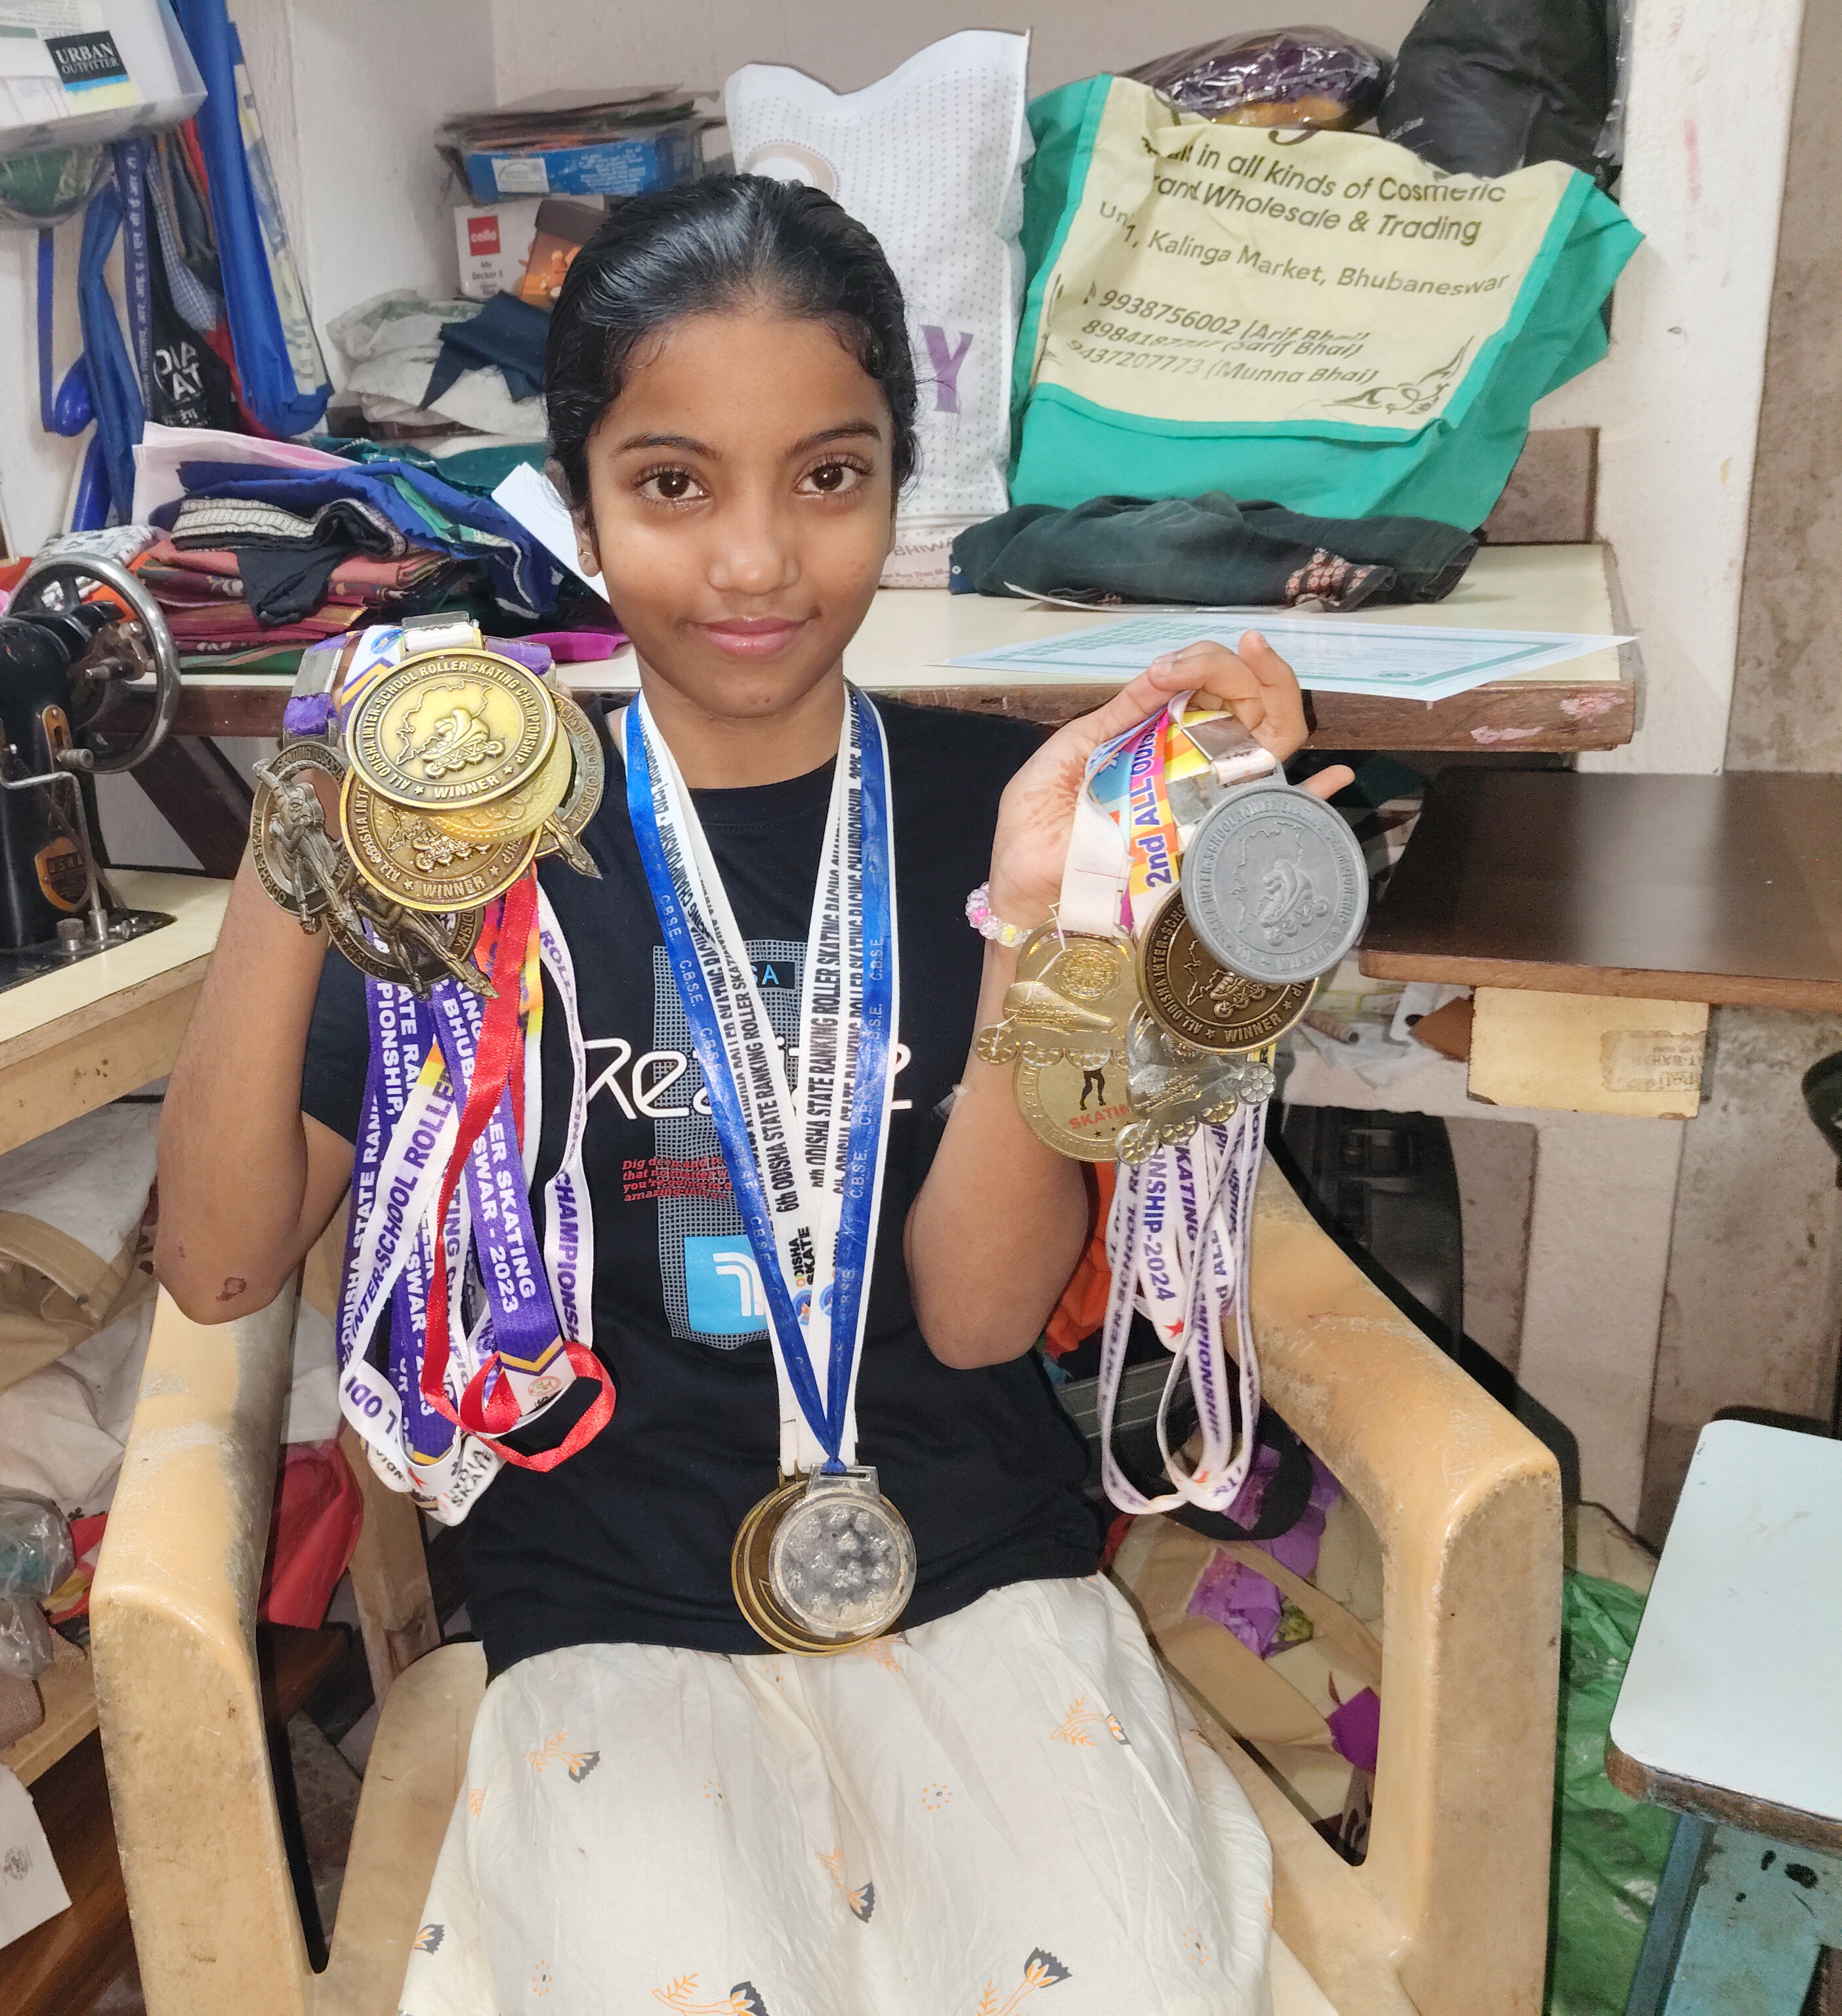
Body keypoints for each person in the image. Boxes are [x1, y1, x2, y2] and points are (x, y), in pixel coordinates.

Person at [158, 175, 1351, 2016]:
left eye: (828, 475)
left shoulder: (992, 815)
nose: (756, 565)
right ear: (579, 497)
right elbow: (227, 1268)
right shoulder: (482, 857)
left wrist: (1062, 920)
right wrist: (300, 836)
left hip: (984, 1585)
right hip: (608, 1618)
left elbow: (971, 1315)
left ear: (896, 480)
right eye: (674, 483)